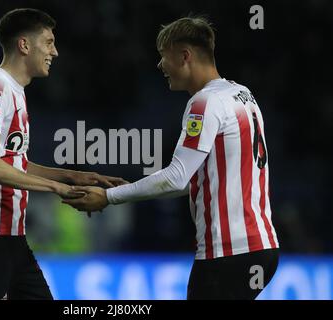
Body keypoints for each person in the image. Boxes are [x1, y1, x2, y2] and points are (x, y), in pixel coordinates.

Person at [63, 16, 279, 300]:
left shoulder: (204, 102)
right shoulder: (243, 95)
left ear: (185, 56)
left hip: (228, 252)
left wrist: (109, 196)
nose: (160, 66)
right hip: (261, 245)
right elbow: (199, 180)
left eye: (164, 57)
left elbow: (177, 178)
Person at [0, 8, 126, 300]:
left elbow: (13, 163)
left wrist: (74, 176)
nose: (55, 52)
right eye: (48, 42)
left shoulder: (12, 89)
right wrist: (56, 187)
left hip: (11, 236)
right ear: (24, 45)